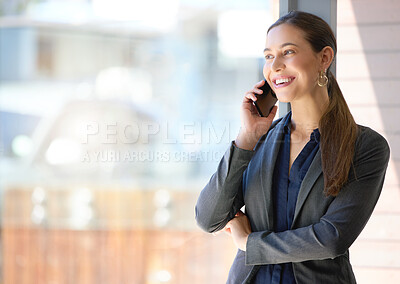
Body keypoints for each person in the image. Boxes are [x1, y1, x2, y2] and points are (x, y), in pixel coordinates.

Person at [195, 11, 390, 284]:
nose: (274, 66)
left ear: (324, 58)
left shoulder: (365, 146)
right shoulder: (258, 140)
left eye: (288, 52)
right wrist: (246, 139)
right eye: (268, 56)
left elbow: (331, 238)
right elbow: (208, 218)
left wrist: (248, 243)